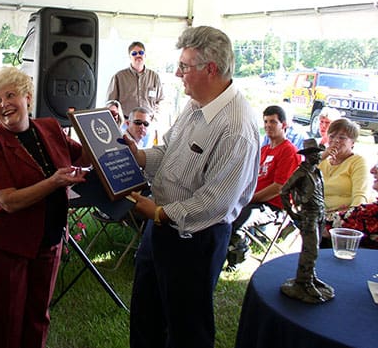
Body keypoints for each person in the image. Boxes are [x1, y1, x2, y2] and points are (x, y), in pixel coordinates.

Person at [125, 26, 260, 348]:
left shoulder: (236, 128)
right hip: (159, 228)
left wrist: (158, 212)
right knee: (145, 314)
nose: (176, 73)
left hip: (195, 240)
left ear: (209, 69)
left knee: (187, 328)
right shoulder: (196, 104)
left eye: (184, 66)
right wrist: (139, 156)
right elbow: (168, 150)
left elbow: (217, 202)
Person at [0, 66, 89, 348]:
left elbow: (84, 154)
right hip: (6, 248)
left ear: (27, 97)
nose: (4, 105)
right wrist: (53, 182)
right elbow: (8, 201)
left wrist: (101, 127)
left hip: (48, 242)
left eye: (10, 95)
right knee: (5, 324)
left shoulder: (49, 128)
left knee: (38, 317)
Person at [226, 105, 301, 270]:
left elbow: (278, 188)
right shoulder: (265, 149)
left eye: (273, 122)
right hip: (254, 200)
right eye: (266, 121)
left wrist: (250, 198)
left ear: (284, 125)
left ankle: (236, 258)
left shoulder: (289, 151)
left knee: (237, 218)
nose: (268, 125)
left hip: (273, 206)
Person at [280, 139, 334, 303]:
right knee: (310, 249)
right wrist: (292, 213)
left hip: (319, 213)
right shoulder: (301, 173)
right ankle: (304, 282)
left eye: (319, 154)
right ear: (308, 156)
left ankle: (310, 275)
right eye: (316, 154)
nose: (319, 157)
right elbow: (284, 191)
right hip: (308, 214)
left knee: (313, 248)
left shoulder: (317, 172)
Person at [319, 118, 370, 212]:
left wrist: (350, 215)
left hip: (343, 217)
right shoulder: (321, 160)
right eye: (332, 136)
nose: (336, 140)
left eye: (342, 137)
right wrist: (322, 157)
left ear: (352, 143)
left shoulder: (358, 162)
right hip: (316, 214)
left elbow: (360, 196)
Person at [106, 41, 164, 119]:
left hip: (148, 123)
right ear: (130, 57)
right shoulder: (119, 77)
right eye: (134, 53)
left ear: (145, 55)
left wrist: (154, 117)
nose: (138, 55)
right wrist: (119, 118)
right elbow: (110, 102)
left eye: (141, 52)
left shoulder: (154, 77)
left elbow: (160, 100)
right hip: (126, 123)